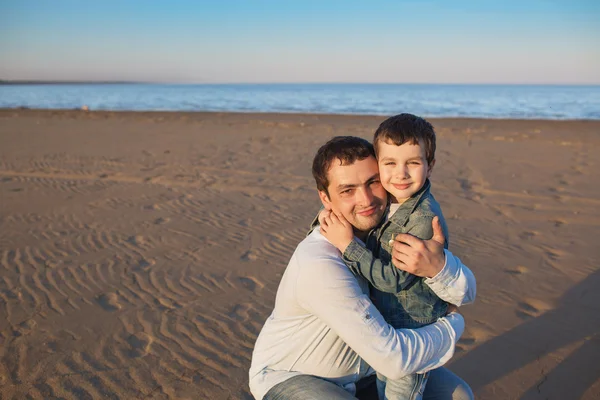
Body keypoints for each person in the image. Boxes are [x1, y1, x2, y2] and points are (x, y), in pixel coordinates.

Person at [249, 136, 476, 400]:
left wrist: (439, 268)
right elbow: (393, 359)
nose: (366, 199)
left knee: (459, 396)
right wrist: (451, 326)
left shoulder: (388, 230)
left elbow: (466, 293)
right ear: (325, 197)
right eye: (347, 190)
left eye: (373, 182)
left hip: (368, 367)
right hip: (295, 376)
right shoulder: (319, 263)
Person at [320, 114, 464, 399]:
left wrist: (348, 245)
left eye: (413, 163)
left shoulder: (423, 218)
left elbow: (392, 279)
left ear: (429, 166)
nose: (401, 174)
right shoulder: (391, 203)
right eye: (390, 163)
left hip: (412, 331)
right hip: (390, 327)